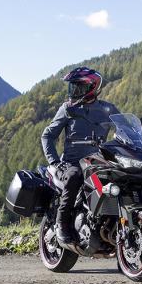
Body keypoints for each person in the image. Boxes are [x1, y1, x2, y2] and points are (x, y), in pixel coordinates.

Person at [41, 67, 120, 245]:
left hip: (98, 162)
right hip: (71, 163)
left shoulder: (107, 109)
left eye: (78, 86)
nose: (73, 90)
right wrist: (54, 161)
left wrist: (137, 138)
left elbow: (123, 127)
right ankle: (61, 223)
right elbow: (47, 136)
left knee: (121, 177)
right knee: (75, 175)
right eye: (72, 86)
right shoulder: (68, 108)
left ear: (92, 87)